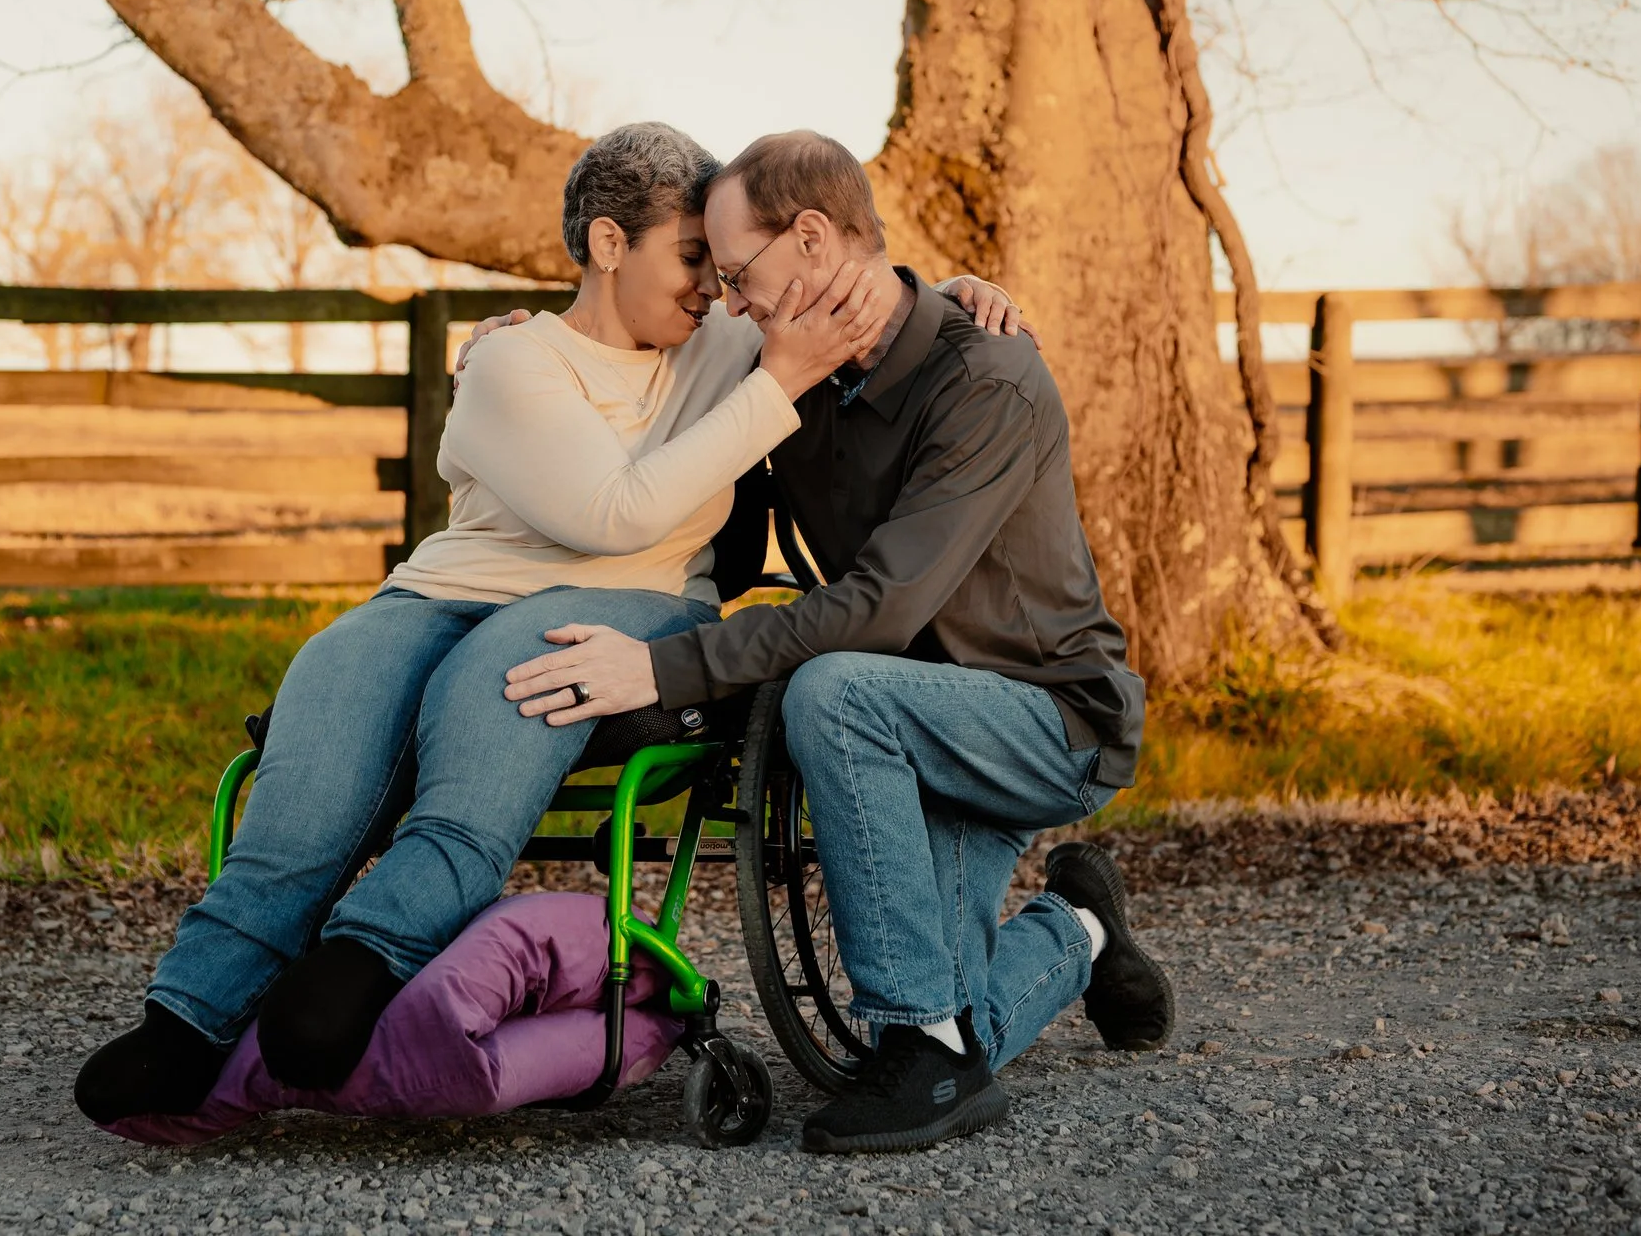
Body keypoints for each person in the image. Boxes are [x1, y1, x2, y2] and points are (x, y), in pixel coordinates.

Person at [74, 123, 1027, 1128]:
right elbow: (604, 504)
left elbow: (848, 286)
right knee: (332, 684)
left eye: (721, 262)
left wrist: (958, 283)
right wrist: (776, 386)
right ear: (611, 245)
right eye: (692, 257)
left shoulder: (734, 346)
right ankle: (187, 1014)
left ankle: (361, 960)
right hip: (442, 592)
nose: (716, 286)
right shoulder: (511, 360)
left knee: (505, 680)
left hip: (630, 604)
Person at [500, 130, 1175, 1156]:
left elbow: (877, 612)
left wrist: (660, 666)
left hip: (1041, 716)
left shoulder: (989, 379)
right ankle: (1074, 931)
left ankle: (918, 1032)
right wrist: (529, 353)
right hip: (913, 718)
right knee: (955, 1025)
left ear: (811, 238)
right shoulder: (794, 380)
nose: (729, 302)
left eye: (740, 274)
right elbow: (698, 515)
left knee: (833, 689)